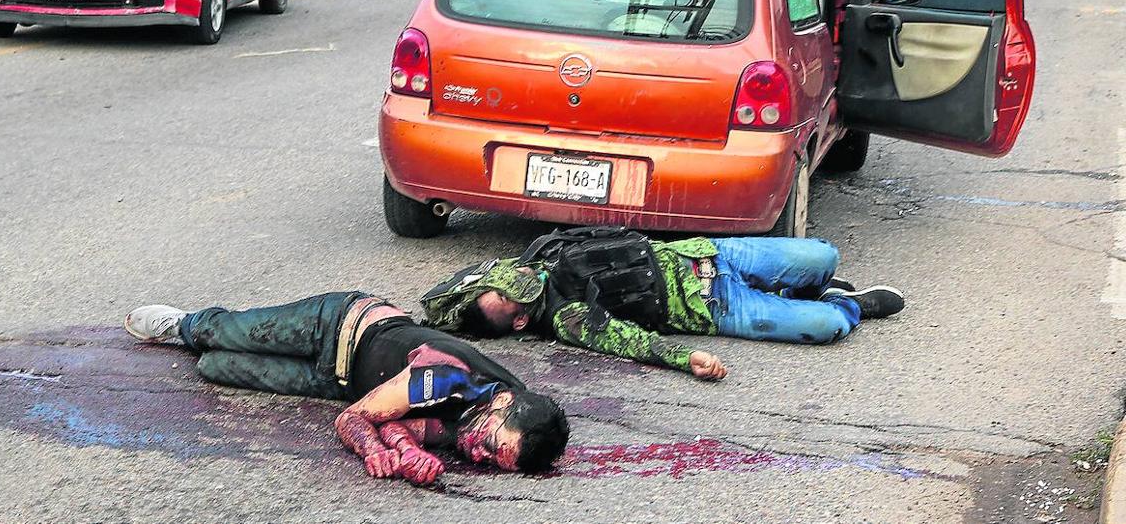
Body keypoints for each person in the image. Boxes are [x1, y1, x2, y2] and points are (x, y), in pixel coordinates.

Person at [124, 292, 569, 484]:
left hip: (337, 380)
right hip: (336, 325)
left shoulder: (486, 423)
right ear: (503, 403)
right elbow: (353, 419)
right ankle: (182, 322)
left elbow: (405, 425)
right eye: (491, 444)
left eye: (493, 460)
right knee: (214, 337)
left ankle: (196, 339)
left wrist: (408, 454)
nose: (477, 454)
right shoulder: (449, 377)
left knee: (214, 367)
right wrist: (374, 452)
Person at [421, 229, 905, 379]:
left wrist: (447, 310)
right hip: (716, 305)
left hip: (707, 253)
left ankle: (808, 285)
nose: (511, 284)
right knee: (825, 327)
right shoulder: (567, 318)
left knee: (823, 255)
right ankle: (847, 304)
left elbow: (447, 294)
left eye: (500, 283)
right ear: (522, 320)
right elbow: (629, 342)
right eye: (507, 300)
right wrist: (685, 358)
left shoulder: (536, 256)